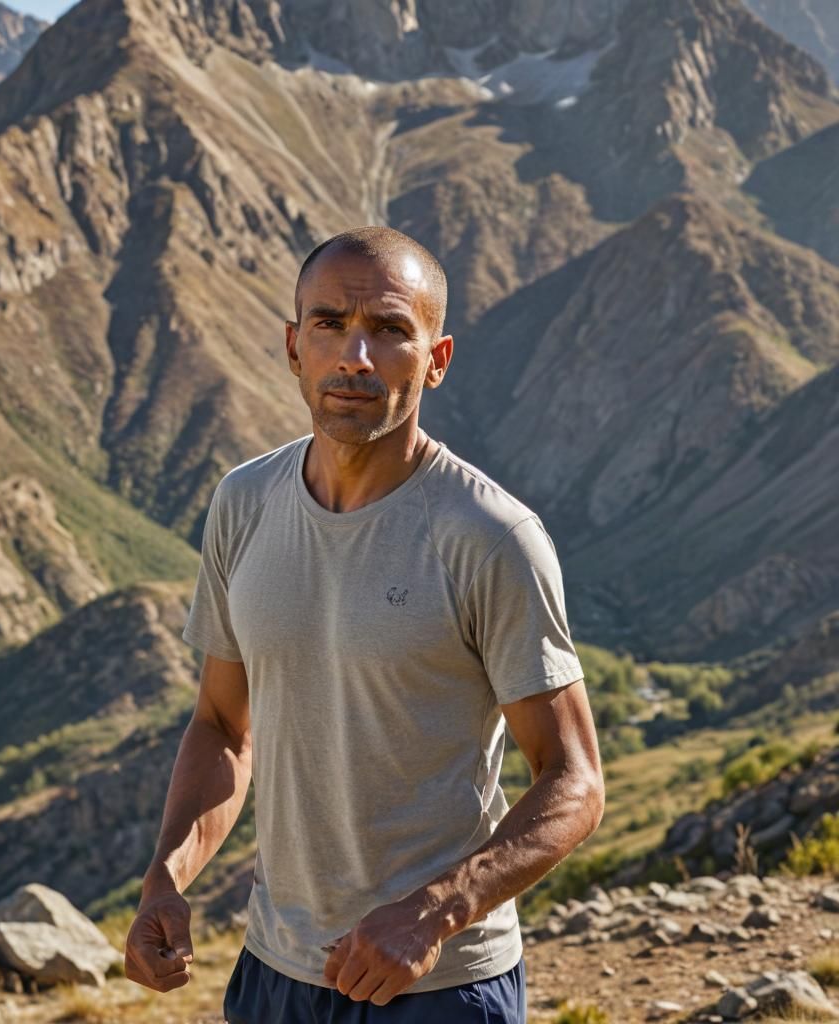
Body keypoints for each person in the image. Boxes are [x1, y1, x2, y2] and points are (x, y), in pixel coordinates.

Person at [124, 226, 605, 1023]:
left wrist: (435, 912)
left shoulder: (490, 537)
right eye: (329, 324)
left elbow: (574, 780)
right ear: (294, 346)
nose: (355, 356)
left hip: (440, 988)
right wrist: (166, 878)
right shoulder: (244, 502)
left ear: (436, 360)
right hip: (276, 973)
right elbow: (222, 727)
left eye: (389, 330)